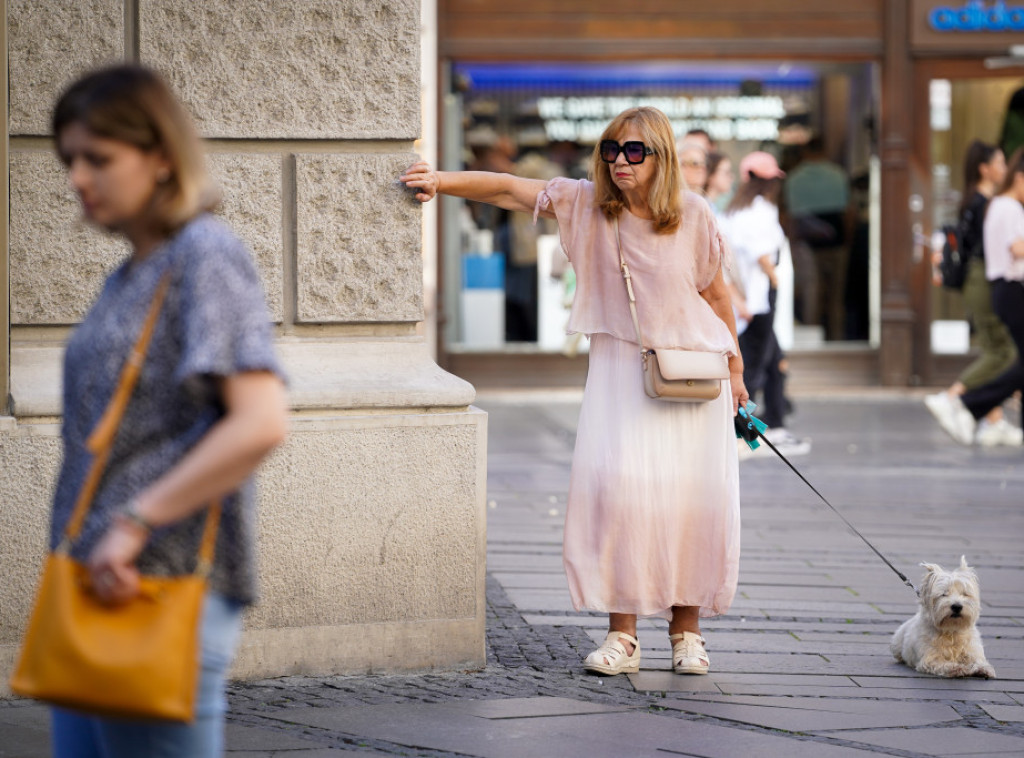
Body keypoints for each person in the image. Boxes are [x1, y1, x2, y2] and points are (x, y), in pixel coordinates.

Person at [402, 106, 747, 676]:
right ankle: (623, 636)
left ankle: (687, 634)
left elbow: (717, 298)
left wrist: (736, 375)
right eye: (611, 150)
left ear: (660, 156)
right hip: (621, 373)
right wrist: (441, 181)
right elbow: (511, 188)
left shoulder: (692, 214)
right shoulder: (588, 204)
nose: (619, 162)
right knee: (621, 499)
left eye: (634, 151)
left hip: (693, 376)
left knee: (691, 502)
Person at [47, 65, 288, 757]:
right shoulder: (132, 271)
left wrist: (131, 523)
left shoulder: (205, 255)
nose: (77, 179)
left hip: (160, 581)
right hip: (95, 579)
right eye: (71, 160)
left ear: (159, 157)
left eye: (98, 158)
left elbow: (260, 420)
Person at [925, 141, 1020, 446]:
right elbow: (1010, 248)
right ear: (985, 168)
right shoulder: (990, 204)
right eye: (1000, 163)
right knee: (1002, 351)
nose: (1003, 170)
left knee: (1002, 350)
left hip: (987, 280)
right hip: (989, 280)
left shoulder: (982, 201)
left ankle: (988, 417)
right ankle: (956, 399)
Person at [723, 152, 810, 456]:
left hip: (749, 297)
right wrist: (773, 276)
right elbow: (762, 250)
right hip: (759, 297)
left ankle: (772, 425)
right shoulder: (760, 209)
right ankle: (742, 431)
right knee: (755, 367)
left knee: (770, 363)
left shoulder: (736, 209)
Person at [784, 137, 852, 339]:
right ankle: (836, 338)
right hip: (837, 243)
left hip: (806, 244)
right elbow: (849, 213)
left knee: (811, 294)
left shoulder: (794, 179)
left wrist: (793, 243)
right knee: (836, 297)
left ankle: (812, 338)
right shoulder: (838, 175)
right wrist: (846, 240)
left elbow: (790, 218)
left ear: (805, 151)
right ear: (824, 150)